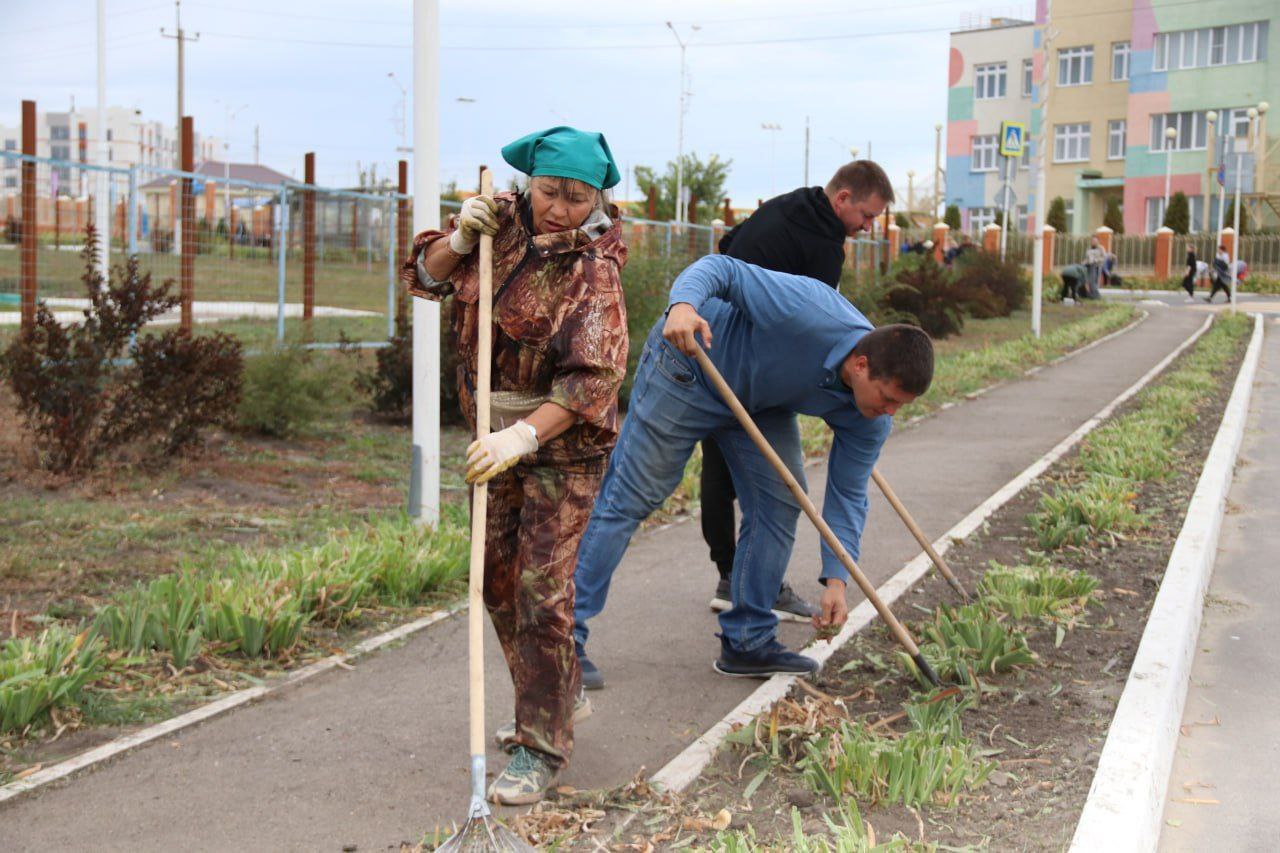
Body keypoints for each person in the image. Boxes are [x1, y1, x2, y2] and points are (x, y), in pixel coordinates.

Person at [572, 254, 934, 681]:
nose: (889, 412)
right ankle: (563, 639)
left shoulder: (871, 419)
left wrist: (837, 579)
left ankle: (748, 640)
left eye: (899, 406)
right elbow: (720, 269)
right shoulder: (808, 309)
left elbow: (848, 494)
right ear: (860, 365)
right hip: (689, 367)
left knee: (780, 503)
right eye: (887, 398)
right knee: (631, 496)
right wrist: (684, 306)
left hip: (759, 403)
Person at [403, 126, 628, 805]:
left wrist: (522, 438)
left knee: (541, 590)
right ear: (529, 180)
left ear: (597, 198)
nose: (560, 208)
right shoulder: (495, 222)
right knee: (493, 579)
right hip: (490, 434)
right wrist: (459, 240)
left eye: (577, 196)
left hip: (563, 445)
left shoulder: (595, 265)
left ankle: (541, 745)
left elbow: (592, 382)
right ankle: (552, 695)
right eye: (551, 191)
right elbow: (422, 277)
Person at [693, 161, 895, 632]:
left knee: (721, 467)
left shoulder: (788, 205)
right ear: (842, 198)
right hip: (744, 358)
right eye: (866, 216)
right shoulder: (823, 243)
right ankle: (738, 582)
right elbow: (817, 322)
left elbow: (728, 246)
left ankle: (732, 576)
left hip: (718, 340)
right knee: (756, 482)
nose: (868, 228)